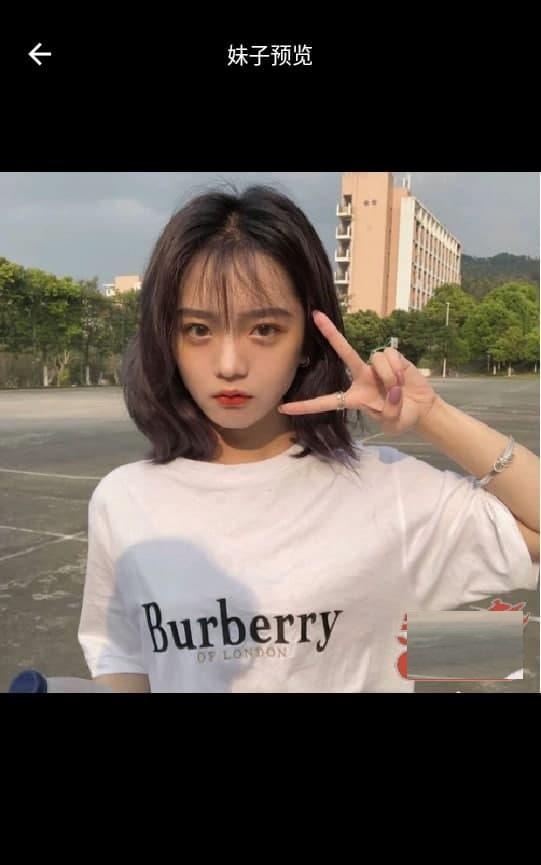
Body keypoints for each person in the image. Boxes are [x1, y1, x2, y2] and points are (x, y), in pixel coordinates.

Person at [77, 185, 539, 693]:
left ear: (306, 341)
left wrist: (432, 416)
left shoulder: (385, 489)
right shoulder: (124, 500)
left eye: (264, 329)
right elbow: (123, 655)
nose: (229, 365)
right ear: (167, 338)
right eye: (198, 330)